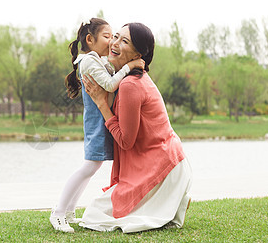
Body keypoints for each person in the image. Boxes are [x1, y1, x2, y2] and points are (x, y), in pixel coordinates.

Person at [79, 22, 193, 233]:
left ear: (136, 54)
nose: (114, 43)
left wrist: (102, 104)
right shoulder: (131, 78)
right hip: (167, 162)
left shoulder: (131, 85)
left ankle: (169, 199)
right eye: (115, 37)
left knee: (93, 216)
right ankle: (170, 202)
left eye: (124, 41)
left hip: (163, 166)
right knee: (97, 211)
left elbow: (125, 141)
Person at [49, 18, 145, 233]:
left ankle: (69, 211)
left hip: (102, 121)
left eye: (113, 36)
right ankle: (58, 213)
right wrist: (129, 66)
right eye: (107, 36)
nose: (111, 41)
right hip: (97, 123)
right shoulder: (89, 62)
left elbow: (110, 75)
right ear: (90, 40)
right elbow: (111, 84)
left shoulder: (96, 60)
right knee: (89, 166)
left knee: (92, 167)